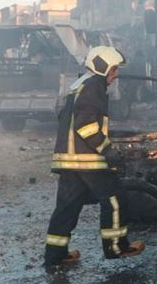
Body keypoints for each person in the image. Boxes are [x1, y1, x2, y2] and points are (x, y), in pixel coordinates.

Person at [44, 46, 145, 266]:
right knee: (115, 198)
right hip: (87, 161)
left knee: (67, 207)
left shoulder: (79, 86)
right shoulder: (94, 86)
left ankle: (55, 255)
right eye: (114, 69)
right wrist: (107, 150)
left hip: (69, 160)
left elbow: (66, 116)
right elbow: (85, 125)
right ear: (103, 67)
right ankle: (116, 247)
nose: (115, 74)